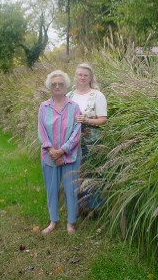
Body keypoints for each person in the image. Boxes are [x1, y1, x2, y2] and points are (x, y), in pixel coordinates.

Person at [38, 70, 81, 235]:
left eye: (60, 84)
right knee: (51, 189)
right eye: (54, 84)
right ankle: (53, 221)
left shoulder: (74, 107)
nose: (57, 86)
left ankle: (71, 223)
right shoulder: (43, 107)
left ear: (65, 86)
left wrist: (62, 151)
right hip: (49, 156)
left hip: (70, 156)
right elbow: (41, 131)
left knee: (71, 189)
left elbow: (77, 132)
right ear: (50, 86)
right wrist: (52, 151)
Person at [67, 63, 107, 156]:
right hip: (70, 141)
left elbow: (103, 120)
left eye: (86, 75)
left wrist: (86, 120)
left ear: (90, 78)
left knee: (87, 169)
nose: (82, 77)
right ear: (76, 77)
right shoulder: (69, 95)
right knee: (70, 169)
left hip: (91, 143)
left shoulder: (98, 95)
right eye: (80, 75)